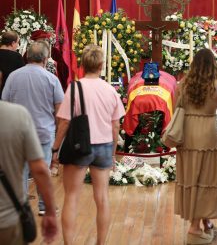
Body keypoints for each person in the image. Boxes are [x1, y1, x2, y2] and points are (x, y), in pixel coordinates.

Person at [51, 45, 125, 245]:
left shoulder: (74, 88)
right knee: (102, 198)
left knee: (71, 197)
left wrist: (55, 149)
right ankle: (101, 242)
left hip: (78, 146)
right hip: (103, 146)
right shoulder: (110, 90)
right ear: (101, 65)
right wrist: (112, 153)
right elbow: (116, 125)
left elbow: (64, 122)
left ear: (82, 65)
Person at [1, 41, 64, 216]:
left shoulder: (13, 76)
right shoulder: (52, 79)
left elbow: (4, 103)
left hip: (17, 132)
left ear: (27, 56)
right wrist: (58, 139)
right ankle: (44, 206)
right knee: (42, 170)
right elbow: (60, 112)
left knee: (19, 172)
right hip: (43, 133)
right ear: (45, 58)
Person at [174, 49, 217, 245]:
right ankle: (194, 229)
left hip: (187, 134)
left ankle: (206, 223)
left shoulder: (183, 85)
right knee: (206, 180)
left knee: (192, 179)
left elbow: (175, 110)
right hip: (208, 135)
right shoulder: (216, 86)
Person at [0, 72, 58, 244]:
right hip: (8, 221)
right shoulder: (17, 115)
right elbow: (39, 170)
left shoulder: (14, 78)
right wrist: (49, 210)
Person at [0, 31, 25, 97]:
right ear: (13, 43)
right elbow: (22, 77)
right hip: (7, 95)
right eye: (17, 42)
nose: (17, 45)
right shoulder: (17, 57)